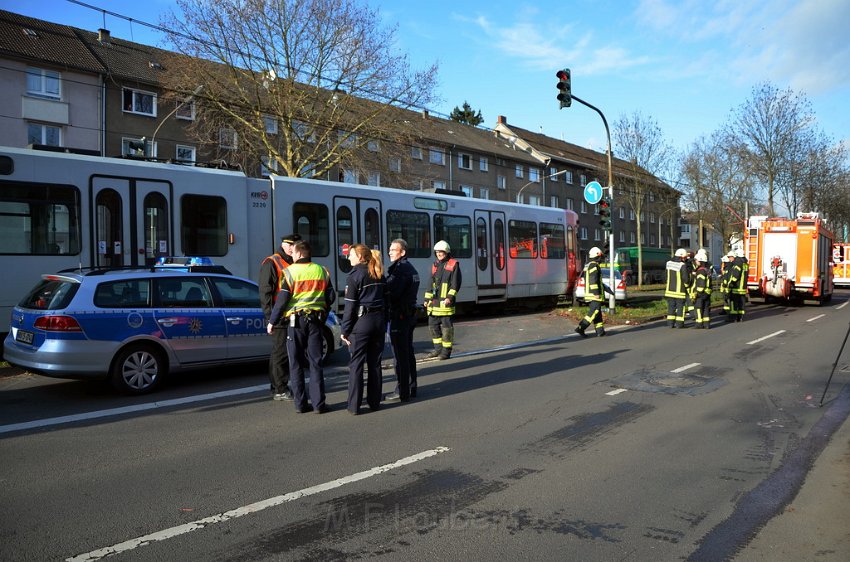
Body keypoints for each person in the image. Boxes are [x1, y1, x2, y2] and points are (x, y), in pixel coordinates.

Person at [267, 240, 335, 414]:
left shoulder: (289, 272)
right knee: (315, 363)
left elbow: (282, 300)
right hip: (316, 322)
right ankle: (319, 404)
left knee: (295, 363)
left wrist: (272, 321)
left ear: (298, 254)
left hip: (295, 323)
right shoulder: (322, 270)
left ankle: (301, 404)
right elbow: (331, 296)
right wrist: (322, 312)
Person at [340, 244, 386, 415]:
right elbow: (385, 301)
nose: (348, 258)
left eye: (351, 255)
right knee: (375, 363)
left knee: (357, 364)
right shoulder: (378, 273)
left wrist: (345, 330)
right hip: (378, 321)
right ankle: (374, 402)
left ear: (360, 257)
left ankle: (354, 405)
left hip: (362, 323)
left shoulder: (354, 276)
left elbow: (350, 308)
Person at [259, 233, 301, 401]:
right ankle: (279, 388)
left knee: (283, 352)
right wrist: (271, 318)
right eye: (290, 245)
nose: (293, 248)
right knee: (280, 353)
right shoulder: (272, 262)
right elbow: (265, 293)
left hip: (290, 314)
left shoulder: (292, 263)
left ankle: (277, 385)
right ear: (284, 245)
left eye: (295, 245)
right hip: (279, 316)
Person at [384, 239, 420, 402]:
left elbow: (392, 294)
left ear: (403, 252)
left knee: (399, 355)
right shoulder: (409, 268)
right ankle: (411, 387)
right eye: (390, 249)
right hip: (409, 315)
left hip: (399, 316)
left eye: (393, 249)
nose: (390, 252)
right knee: (408, 353)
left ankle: (402, 389)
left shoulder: (400, 270)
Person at [424, 240, 461, 360]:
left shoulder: (453, 264)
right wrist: (427, 298)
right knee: (433, 326)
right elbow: (430, 283)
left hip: (445, 303)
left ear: (446, 252)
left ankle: (446, 352)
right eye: (437, 252)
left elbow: (455, 284)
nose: (439, 254)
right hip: (434, 303)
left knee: (446, 328)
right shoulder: (435, 265)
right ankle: (438, 349)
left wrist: (450, 298)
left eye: (441, 252)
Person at [575, 246, 613, 337]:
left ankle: (600, 331)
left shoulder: (590, 265)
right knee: (594, 312)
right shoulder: (594, 266)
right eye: (600, 257)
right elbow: (593, 280)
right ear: (597, 256)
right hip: (593, 295)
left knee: (598, 313)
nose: (601, 259)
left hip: (591, 294)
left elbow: (598, 282)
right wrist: (596, 293)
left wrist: (608, 290)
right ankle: (581, 328)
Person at [665, 248, 691, 328]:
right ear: (681, 257)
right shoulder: (682, 265)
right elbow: (685, 279)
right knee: (680, 308)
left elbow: (666, 276)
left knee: (671, 308)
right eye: (685, 257)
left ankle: (670, 324)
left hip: (669, 291)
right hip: (680, 291)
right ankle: (679, 324)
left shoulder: (668, 263)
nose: (685, 259)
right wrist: (688, 287)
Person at [725, 248, 748, 322]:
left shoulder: (738, 263)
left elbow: (735, 276)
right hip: (743, 288)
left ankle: (733, 318)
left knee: (734, 303)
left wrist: (731, 283)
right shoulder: (745, 264)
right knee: (741, 303)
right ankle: (740, 317)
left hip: (737, 287)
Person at [692, 249, 712, 329]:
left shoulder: (700, 271)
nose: (696, 261)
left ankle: (699, 324)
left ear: (700, 260)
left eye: (696, 260)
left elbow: (701, 284)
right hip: (707, 293)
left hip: (701, 294)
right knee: (706, 309)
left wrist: (696, 293)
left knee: (698, 308)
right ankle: (706, 324)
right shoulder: (707, 270)